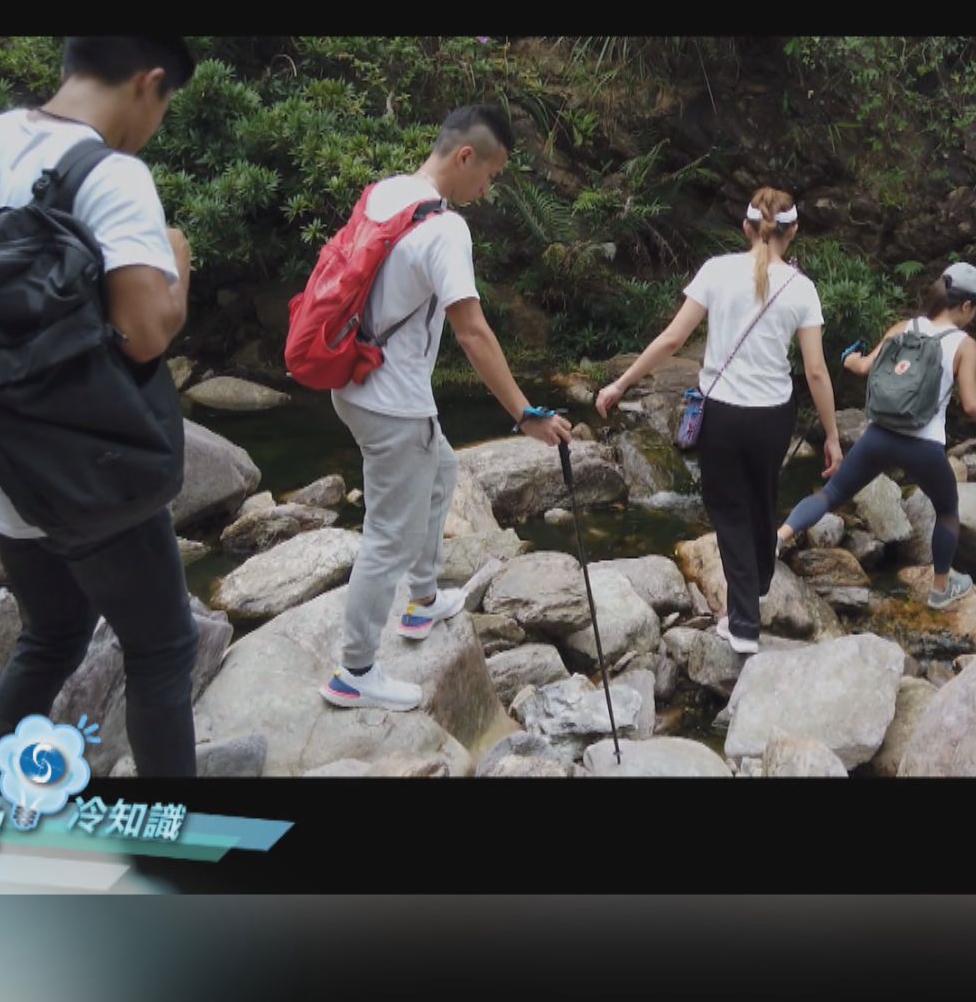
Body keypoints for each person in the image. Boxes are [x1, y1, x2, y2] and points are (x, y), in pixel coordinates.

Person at [0, 36, 203, 776]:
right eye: (164, 105)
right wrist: (175, 264)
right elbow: (145, 332)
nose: (156, 122)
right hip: (89, 468)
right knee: (163, 649)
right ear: (149, 83)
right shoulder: (115, 176)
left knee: (52, 634)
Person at [320, 103, 574, 711]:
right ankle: (354, 672)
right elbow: (473, 333)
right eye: (489, 176)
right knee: (387, 537)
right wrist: (524, 414)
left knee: (444, 470)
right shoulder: (445, 229)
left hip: (356, 380)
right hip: (393, 404)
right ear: (465, 157)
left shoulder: (386, 194)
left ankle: (424, 599)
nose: (486, 191)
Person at [596, 188, 840, 654]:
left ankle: (744, 624)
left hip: (722, 413)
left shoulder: (716, 271)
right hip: (773, 416)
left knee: (730, 512)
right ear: (793, 232)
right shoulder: (802, 289)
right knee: (762, 502)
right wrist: (831, 435)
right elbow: (814, 371)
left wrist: (620, 383)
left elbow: (672, 338)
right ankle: (757, 585)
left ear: (747, 228)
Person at [774, 263, 976, 609]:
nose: (975, 317)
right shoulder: (964, 345)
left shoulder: (903, 326)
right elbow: (971, 405)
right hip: (923, 447)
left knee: (833, 493)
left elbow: (863, 367)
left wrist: (850, 360)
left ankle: (778, 538)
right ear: (966, 306)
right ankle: (941, 588)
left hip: (878, 435)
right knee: (947, 511)